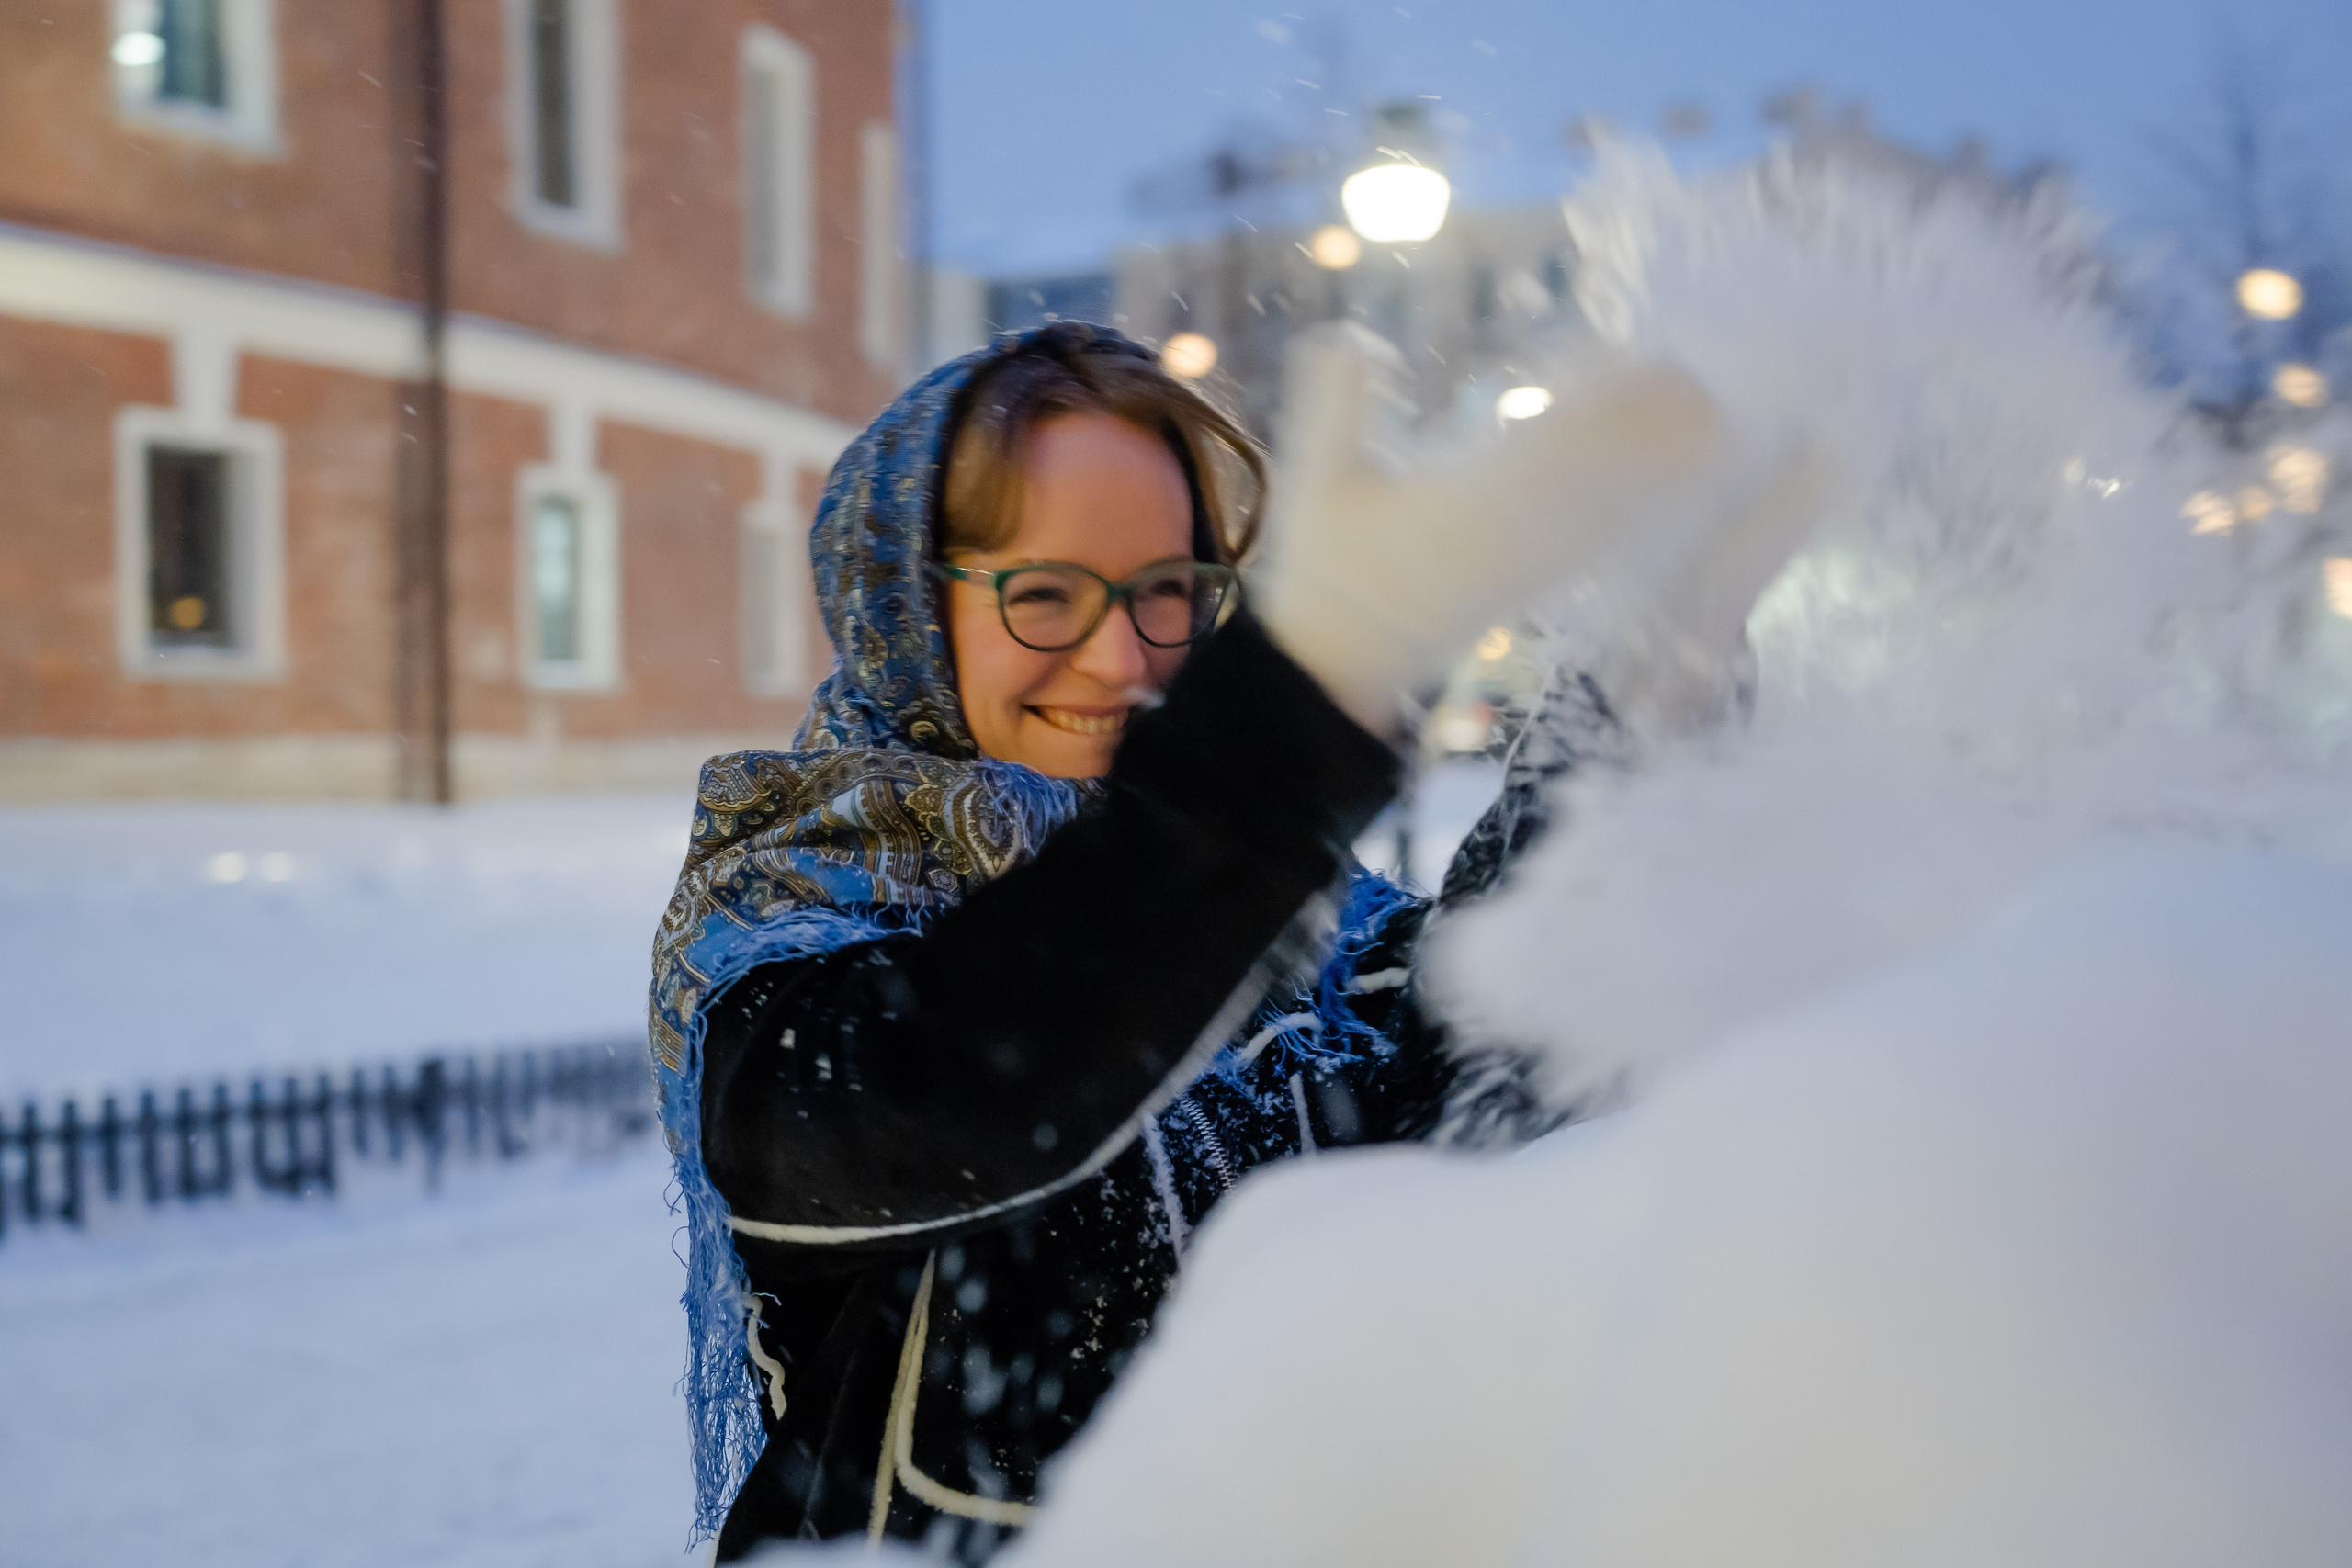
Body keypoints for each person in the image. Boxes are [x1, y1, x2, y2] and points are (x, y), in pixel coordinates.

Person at [649, 321, 1736, 1561]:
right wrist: (1306, 698)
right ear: (904, 606)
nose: (1125, 659)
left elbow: (1473, 1052)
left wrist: (1634, 712)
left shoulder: (1278, 909)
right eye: (1043, 595)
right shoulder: (789, 918)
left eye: (1168, 591)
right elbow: (955, 1094)